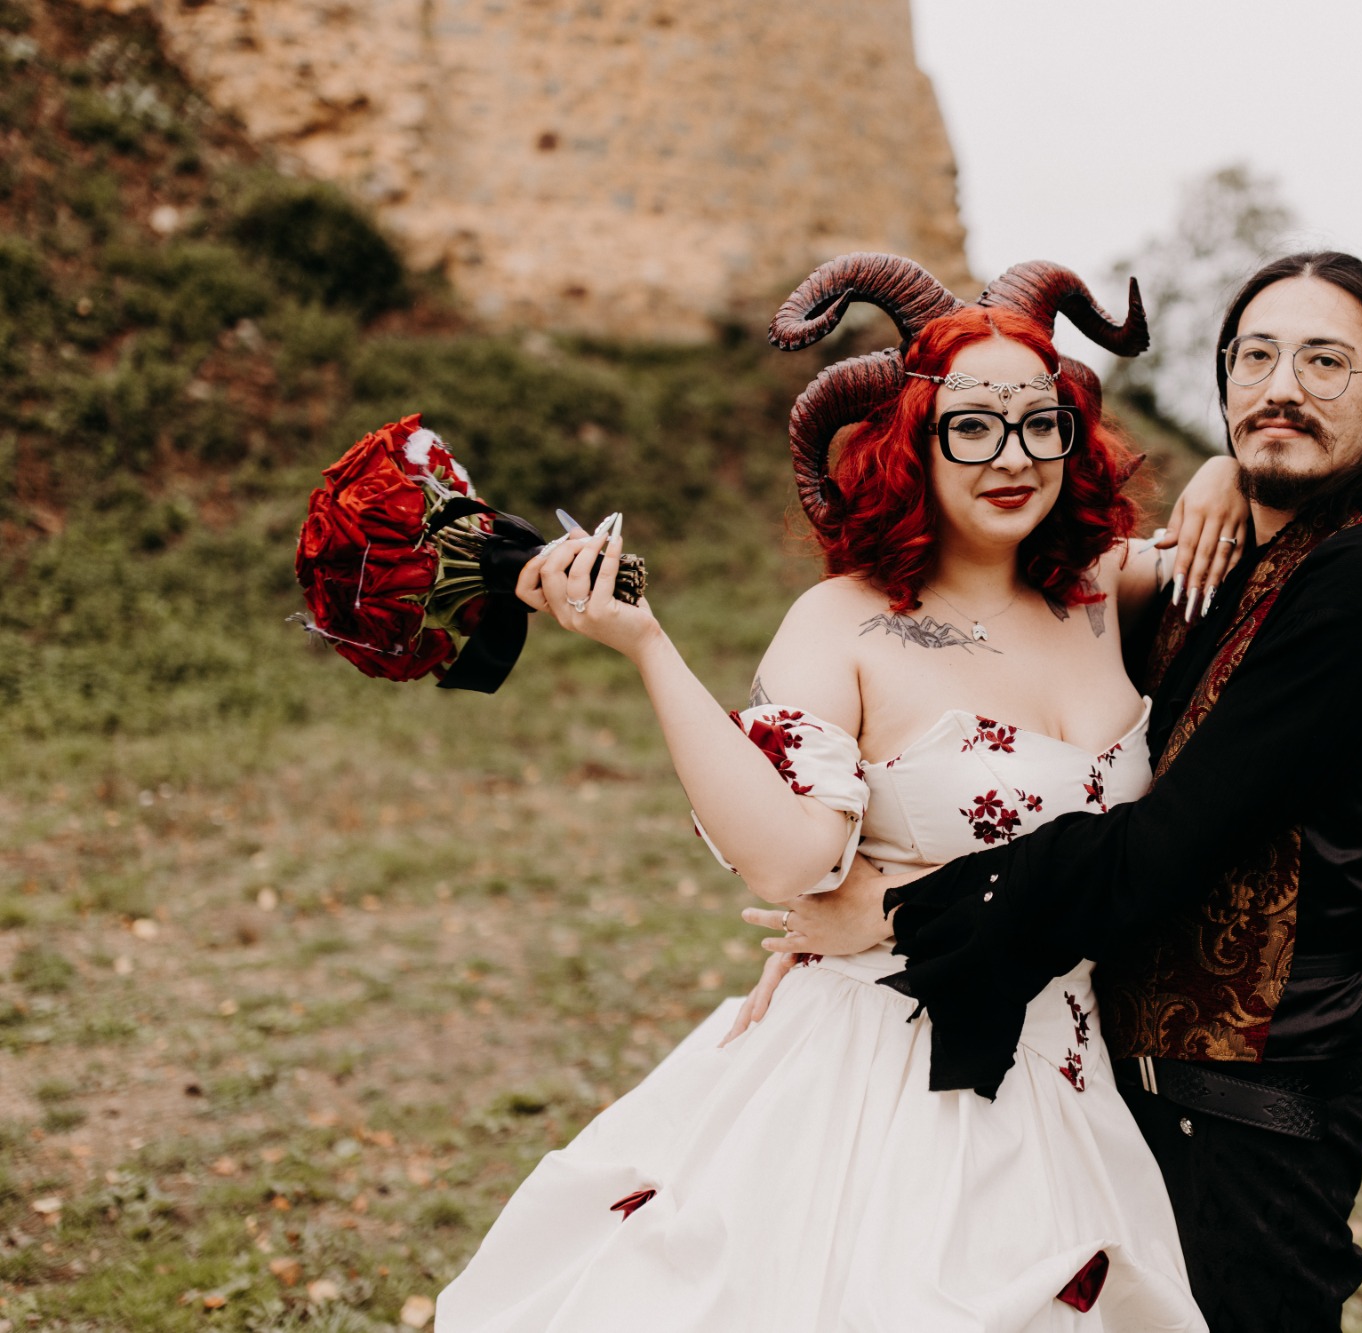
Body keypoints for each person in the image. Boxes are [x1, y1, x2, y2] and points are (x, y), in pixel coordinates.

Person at [434, 255, 1252, 1332]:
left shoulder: (1105, 586)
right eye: (971, 427)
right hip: (882, 1069)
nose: (1013, 457)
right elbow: (789, 859)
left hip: (1068, 1069)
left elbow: (1273, 541)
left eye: (1038, 423)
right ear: (911, 441)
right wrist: (647, 646)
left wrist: (1229, 471)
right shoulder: (843, 622)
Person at [760, 252, 1362, 1333]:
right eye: (1255, 358)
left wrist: (895, 911)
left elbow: (1159, 845)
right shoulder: (1231, 558)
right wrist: (1222, 478)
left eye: (1325, 362)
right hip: (1108, 1080)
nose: (1281, 386)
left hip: (1249, 1106)